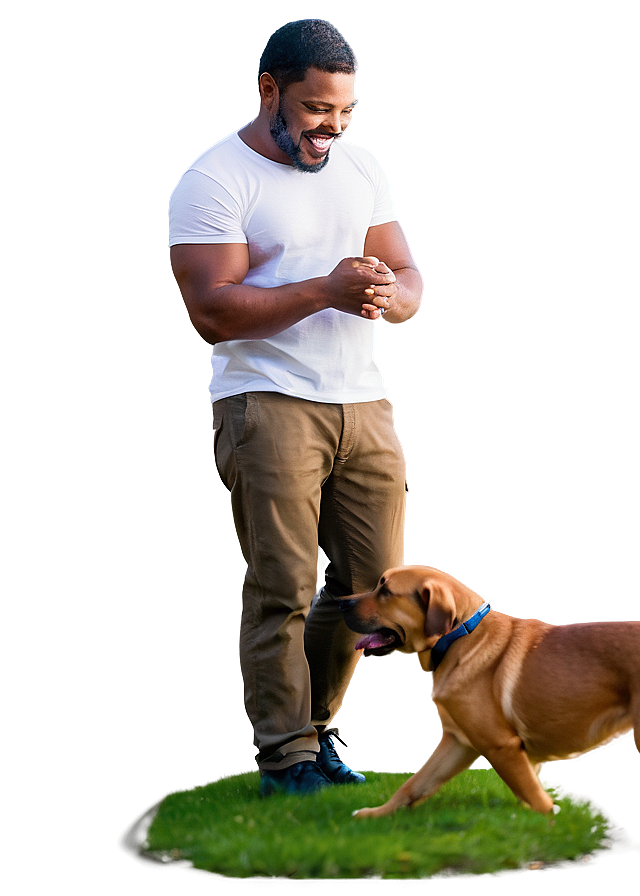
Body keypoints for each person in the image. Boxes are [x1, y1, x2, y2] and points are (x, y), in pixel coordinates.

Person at [167, 18, 422, 796]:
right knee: (279, 587)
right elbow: (208, 312)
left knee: (368, 590)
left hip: (365, 403)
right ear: (269, 92)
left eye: (345, 113)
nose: (333, 129)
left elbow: (411, 274)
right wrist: (325, 291)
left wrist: (392, 295)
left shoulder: (363, 169)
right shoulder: (216, 179)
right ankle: (286, 760)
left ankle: (313, 733)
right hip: (267, 403)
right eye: (316, 110)